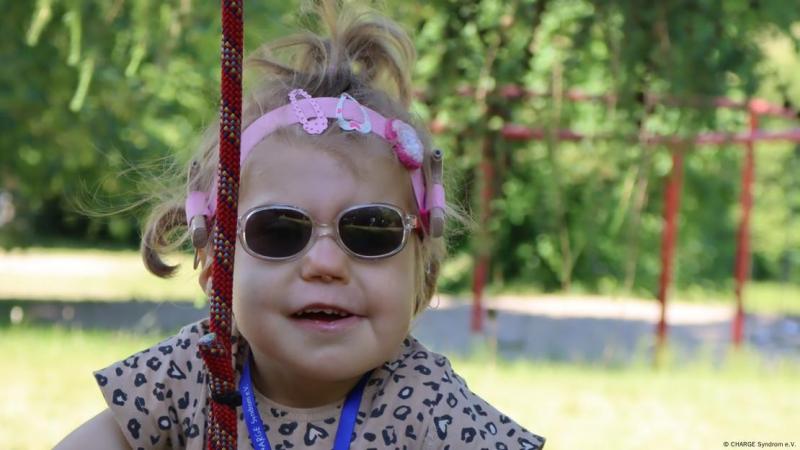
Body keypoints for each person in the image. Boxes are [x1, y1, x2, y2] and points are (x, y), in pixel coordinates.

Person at [56, 2, 545, 449]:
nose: (326, 264)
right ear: (214, 262)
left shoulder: (429, 405)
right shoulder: (193, 373)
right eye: (278, 231)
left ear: (423, 274)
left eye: (371, 232)